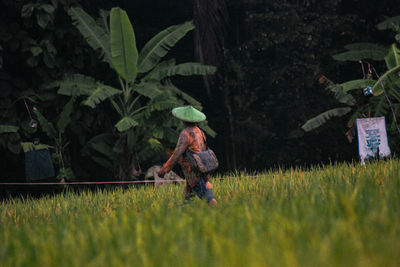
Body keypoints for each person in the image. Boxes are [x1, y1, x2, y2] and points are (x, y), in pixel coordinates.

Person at [157, 106, 217, 206]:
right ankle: (184, 213)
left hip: (193, 172)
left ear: (184, 120)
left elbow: (177, 154)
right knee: (188, 199)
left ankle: (219, 213)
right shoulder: (200, 132)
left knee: (208, 199)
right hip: (203, 169)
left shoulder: (186, 133)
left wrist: (164, 169)